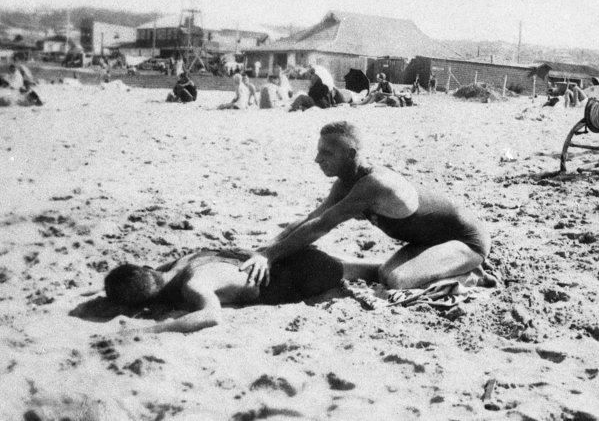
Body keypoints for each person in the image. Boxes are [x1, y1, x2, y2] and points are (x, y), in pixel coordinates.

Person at [240, 122, 490, 291]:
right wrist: (269, 247)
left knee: (397, 280)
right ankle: (436, 265)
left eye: (326, 153)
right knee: (383, 274)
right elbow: (313, 217)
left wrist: (269, 256)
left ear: (350, 154)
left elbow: (323, 225)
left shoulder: (374, 184)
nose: (317, 159)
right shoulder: (345, 182)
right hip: (428, 242)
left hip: (467, 241)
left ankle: (470, 272)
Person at [103, 247, 347, 334]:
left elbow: (211, 316)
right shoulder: (183, 262)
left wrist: (152, 330)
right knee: (363, 268)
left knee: (357, 270)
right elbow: (138, 274)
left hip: (299, 276)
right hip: (286, 257)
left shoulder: (193, 284)